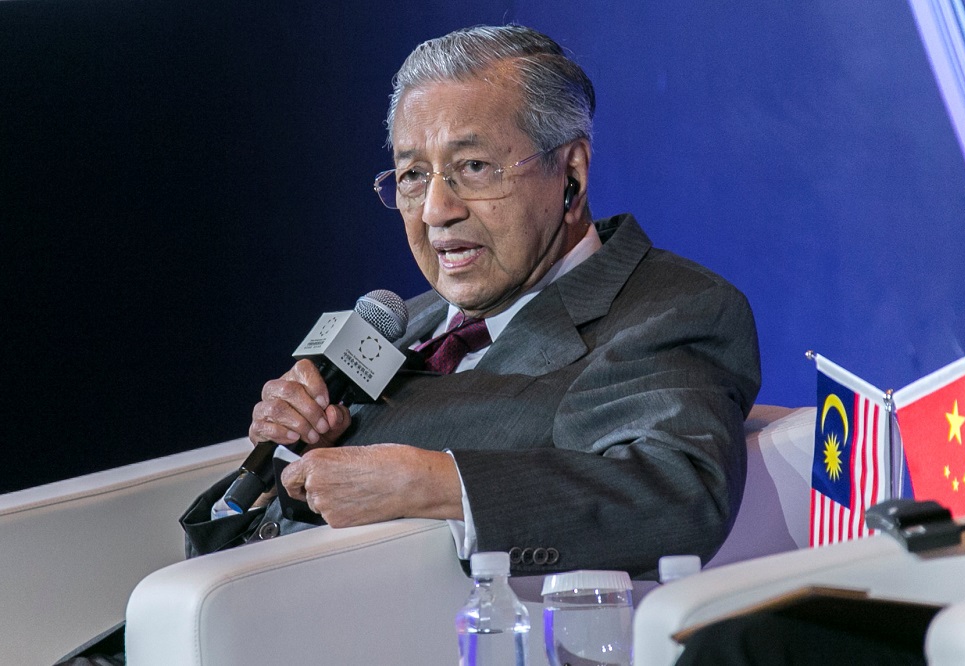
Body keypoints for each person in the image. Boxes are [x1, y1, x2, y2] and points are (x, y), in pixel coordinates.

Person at [58, 23, 760, 666]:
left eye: (474, 167)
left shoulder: (668, 308)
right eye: (413, 175)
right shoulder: (412, 318)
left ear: (570, 173)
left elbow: (677, 495)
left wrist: (431, 483)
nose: (435, 211)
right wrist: (285, 447)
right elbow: (237, 528)